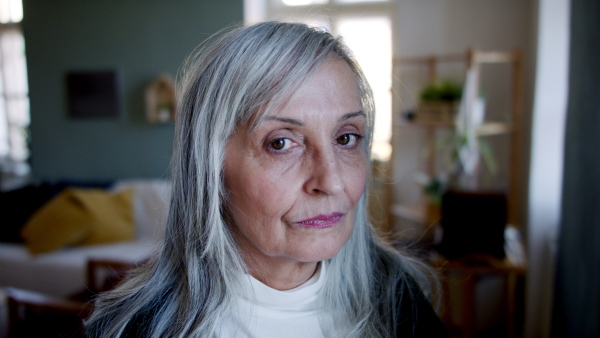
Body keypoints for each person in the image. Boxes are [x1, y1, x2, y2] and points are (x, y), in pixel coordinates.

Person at [86, 21, 448, 337]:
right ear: (209, 167)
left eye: (346, 138)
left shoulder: (399, 300)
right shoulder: (134, 328)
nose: (332, 181)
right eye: (281, 143)